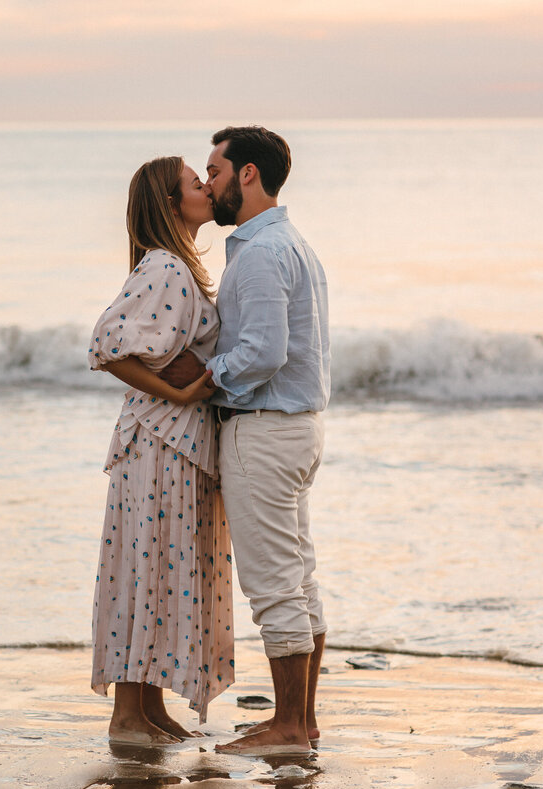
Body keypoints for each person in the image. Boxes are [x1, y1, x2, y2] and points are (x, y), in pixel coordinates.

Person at [165, 125, 331, 756]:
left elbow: (263, 351)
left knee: (275, 588)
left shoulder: (261, 253)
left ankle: (289, 727)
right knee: (299, 581)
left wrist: (203, 381)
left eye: (215, 170)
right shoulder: (290, 243)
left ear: (249, 174)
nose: (208, 183)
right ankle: (301, 721)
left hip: (263, 432)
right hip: (294, 429)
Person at [87, 156, 236, 744]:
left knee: (157, 566)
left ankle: (148, 710)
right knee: (147, 566)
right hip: (159, 441)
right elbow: (106, 343)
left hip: (169, 441)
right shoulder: (167, 267)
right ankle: (127, 715)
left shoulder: (177, 267)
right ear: (173, 204)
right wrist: (178, 389)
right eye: (196, 184)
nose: (207, 188)